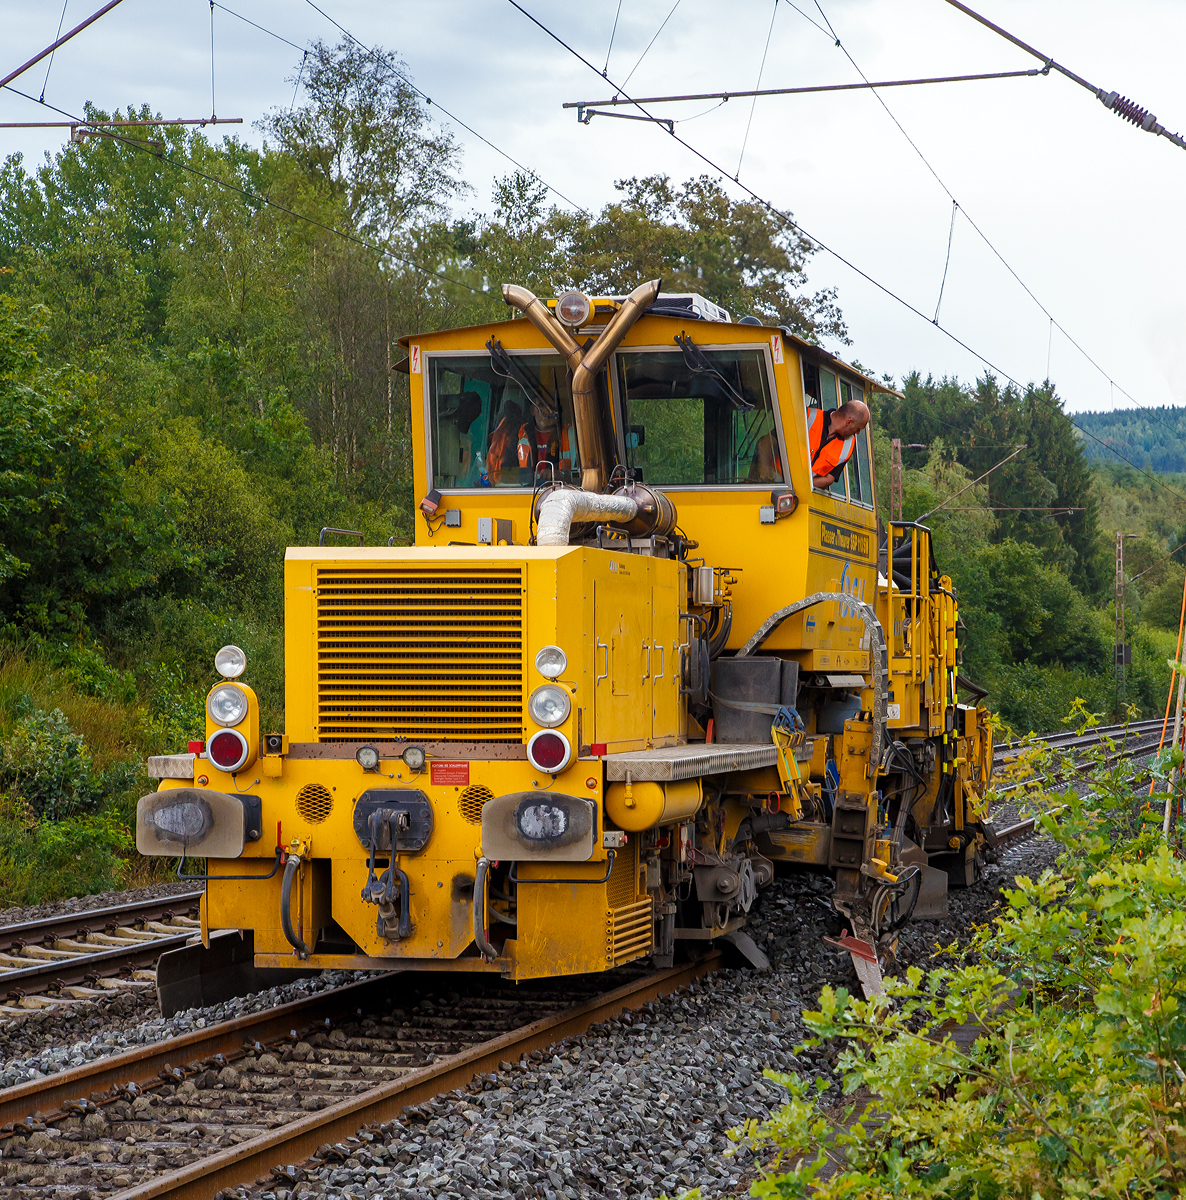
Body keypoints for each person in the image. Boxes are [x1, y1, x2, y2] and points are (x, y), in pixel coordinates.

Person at [807, 399, 869, 489]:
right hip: (781, 481)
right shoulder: (808, 416)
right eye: (858, 428)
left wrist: (804, 483)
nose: (858, 433)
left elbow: (829, 479)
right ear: (849, 422)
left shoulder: (848, 445)